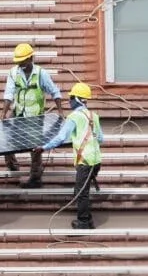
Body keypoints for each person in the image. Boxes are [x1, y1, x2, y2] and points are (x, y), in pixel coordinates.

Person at [36, 82, 104, 229]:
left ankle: (84, 222)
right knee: (81, 190)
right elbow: (100, 139)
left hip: (85, 161)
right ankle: (88, 219)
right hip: (96, 161)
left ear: (78, 99)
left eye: (71, 97)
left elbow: (61, 138)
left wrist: (43, 148)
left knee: (81, 192)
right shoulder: (94, 116)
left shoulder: (74, 117)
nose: (69, 101)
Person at [0, 42, 64, 189]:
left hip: (35, 117)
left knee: (35, 148)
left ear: (31, 59)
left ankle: (35, 178)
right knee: (6, 138)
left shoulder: (41, 73)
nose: (20, 64)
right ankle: (13, 166)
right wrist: (4, 112)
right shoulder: (13, 72)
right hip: (18, 113)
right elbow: (9, 93)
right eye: (19, 62)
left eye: (23, 61)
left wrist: (60, 111)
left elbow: (54, 91)